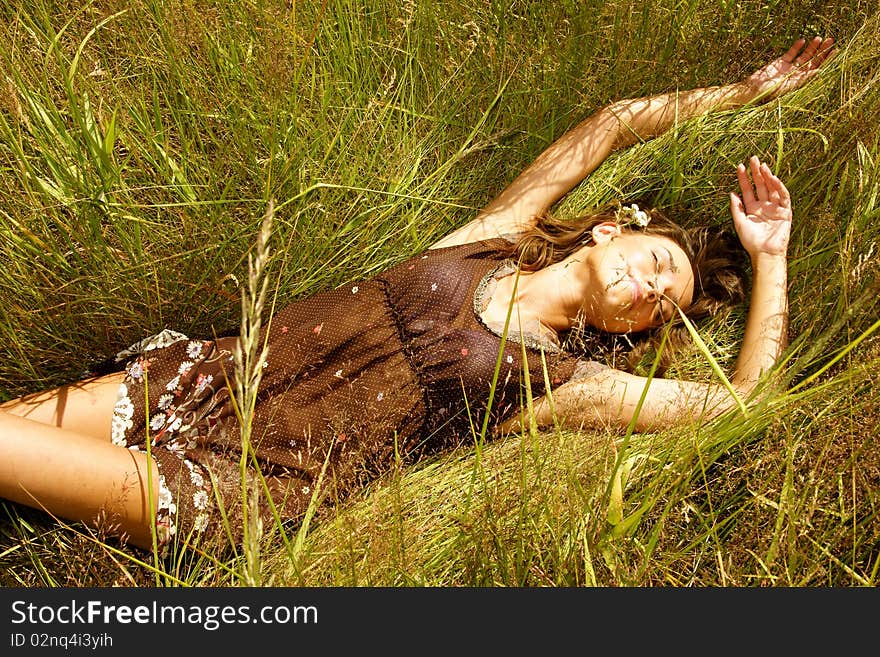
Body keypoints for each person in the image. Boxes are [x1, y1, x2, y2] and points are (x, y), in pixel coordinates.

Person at [0, 36, 836, 553]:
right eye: (658, 260)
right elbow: (613, 121)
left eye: (664, 300)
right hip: (207, 375)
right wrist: (746, 93)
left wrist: (774, 257)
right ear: (612, 232)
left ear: (635, 327)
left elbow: (745, 399)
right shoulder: (488, 237)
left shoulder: (563, 386)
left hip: (245, 485)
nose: (651, 285)